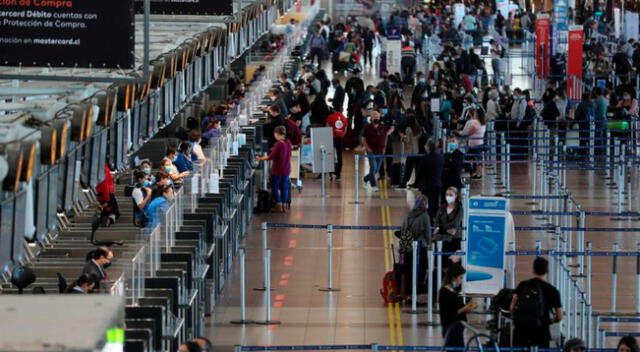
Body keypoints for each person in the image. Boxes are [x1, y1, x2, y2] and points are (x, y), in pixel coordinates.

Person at [510, 257, 563, 348]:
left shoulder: (523, 285)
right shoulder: (553, 291)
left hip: (521, 330)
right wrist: (550, 321)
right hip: (541, 331)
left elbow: (511, 307)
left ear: (533, 270)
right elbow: (559, 316)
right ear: (547, 271)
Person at [398, 194, 432, 300]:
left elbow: (403, 229)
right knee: (420, 270)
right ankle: (417, 294)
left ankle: (407, 293)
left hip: (408, 246)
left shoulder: (409, 214)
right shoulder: (425, 216)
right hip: (420, 248)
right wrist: (430, 243)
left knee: (408, 270)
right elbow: (427, 234)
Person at [439, 264, 478, 347]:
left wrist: (469, 307)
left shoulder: (453, 291)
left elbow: (458, 308)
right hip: (451, 328)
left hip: (457, 328)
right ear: (453, 277)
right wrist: (465, 308)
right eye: (460, 277)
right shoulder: (445, 292)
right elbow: (450, 313)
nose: (461, 280)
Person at [256, 126, 292, 212]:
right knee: (284, 187)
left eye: (275, 134)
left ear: (277, 134)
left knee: (275, 187)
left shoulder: (278, 144)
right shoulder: (288, 142)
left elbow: (271, 157)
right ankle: (285, 205)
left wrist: (259, 158)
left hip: (278, 169)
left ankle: (278, 205)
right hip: (286, 168)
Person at [361, 111, 394, 191]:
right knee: (373, 167)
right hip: (371, 151)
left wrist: (384, 147)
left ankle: (365, 179)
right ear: (371, 118)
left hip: (380, 151)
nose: (376, 118)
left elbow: (385, 136)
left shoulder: (383, 126)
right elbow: (363, 139)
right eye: (374, 116)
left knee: (376, 170)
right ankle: (373, 185)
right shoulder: (367, 127)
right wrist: (367, 148)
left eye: (377, 116)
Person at [433, 187, 464, 266]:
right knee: (440, 263)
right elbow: (436, 223)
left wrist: (440, 228)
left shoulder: (459, 209)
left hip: (454, 240)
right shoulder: (442, 208)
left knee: (452, 264)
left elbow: (455, 224)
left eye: (450, 195)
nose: (448, 197)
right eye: (447, 194)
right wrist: (445, 230)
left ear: (456, 195)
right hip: (441, 239)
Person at [417, 140, 444, 220]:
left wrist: (416, 183)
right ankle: (436, 218)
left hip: (427, 184)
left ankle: (429, 220)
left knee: (428, 203)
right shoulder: (440, 157)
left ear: (428, 147)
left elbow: (420, 171)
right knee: (436, 202)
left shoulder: (425, 158)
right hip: (437, 184)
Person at [458, 109, 486, 179]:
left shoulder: (476, 123)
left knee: (473, 158)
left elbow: (469, 132)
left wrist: (461, 133)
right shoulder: (483, 123)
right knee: (477, 159)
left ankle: (475, 173)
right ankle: (477, 173)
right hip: (480, 142)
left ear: (478, 114)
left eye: (476, 113)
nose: (475, 114)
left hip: (474, 143)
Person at [400, 112, 424, 188]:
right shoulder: (419, 129)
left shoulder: (408, 129)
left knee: (408, 167)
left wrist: (403, 137)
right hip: (418, 151)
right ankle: (417, 183)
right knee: (417, 168)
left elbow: (408, 140)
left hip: (411, 152)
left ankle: (404, 182)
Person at [326, 108, 348, 181]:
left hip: (332, 137)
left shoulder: (330, 117)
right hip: (340, 138)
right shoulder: (344, 118)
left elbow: (327, 127)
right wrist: (341, 135)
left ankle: (330, 172)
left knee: (330, 155)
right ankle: (338, 175)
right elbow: (345, 129)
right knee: (339, 156)